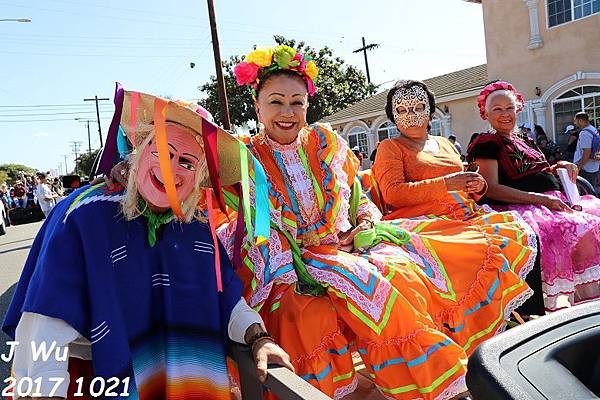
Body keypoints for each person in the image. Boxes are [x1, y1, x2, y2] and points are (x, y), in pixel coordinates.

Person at [223, 46, 535, 400]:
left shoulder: (326, 142)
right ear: (257, 105)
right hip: (284, 260)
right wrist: (311, 258)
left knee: (402, 269)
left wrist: (364, 225)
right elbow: (260, 228)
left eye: (297, 102)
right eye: (276, 102)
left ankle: (420, 382)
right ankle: (359, 387)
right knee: (314, 309)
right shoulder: (245, 159)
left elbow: (360, 197)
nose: (287, 112)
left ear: (308, 106)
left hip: (344, 244)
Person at [3, 90, 293, 400]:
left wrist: (259, 337)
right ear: (140, 152)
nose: (172, 170)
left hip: (188, 383)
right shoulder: (87, 218)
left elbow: (227, 301)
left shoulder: (196, 228)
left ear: (200, 177)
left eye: (186, 161)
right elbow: (46, 319)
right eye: (163, 153)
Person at [370, 79, 542, 317]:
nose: (411, 115)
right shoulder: (391, 147)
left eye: (418, 107)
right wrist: (447, 184)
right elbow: (393, 193)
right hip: (424, 221)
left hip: (464, 215)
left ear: (430, 110)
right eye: (402, 110)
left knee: (523, 233)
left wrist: (477, 185)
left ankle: (524, 316)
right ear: (393, 116)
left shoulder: (444, 144)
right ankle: (490, 320)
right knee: (479, 248)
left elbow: (466, 183)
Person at [467, 80, 600, 311]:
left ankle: (588, 304)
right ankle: (571, 308)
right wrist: (543, 200)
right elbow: (491, 187)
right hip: (521, 206)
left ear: (517, 109)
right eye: (497, 109)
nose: (505, 114)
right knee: (577, 227)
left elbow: (539, 169)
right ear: (485, 114)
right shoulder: (486, 142)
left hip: (552, 199)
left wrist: (561, 165)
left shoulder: (524, 139)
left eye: (509, 108)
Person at [573, 111, 600, 190]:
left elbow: (587, 152)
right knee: (592, 190)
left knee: (586, 193)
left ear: (580, 120)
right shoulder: (593, 130)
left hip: (586, 168)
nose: (575, 123)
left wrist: (579, 167)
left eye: (576, 121)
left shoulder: (584, 133)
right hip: (594, 166)